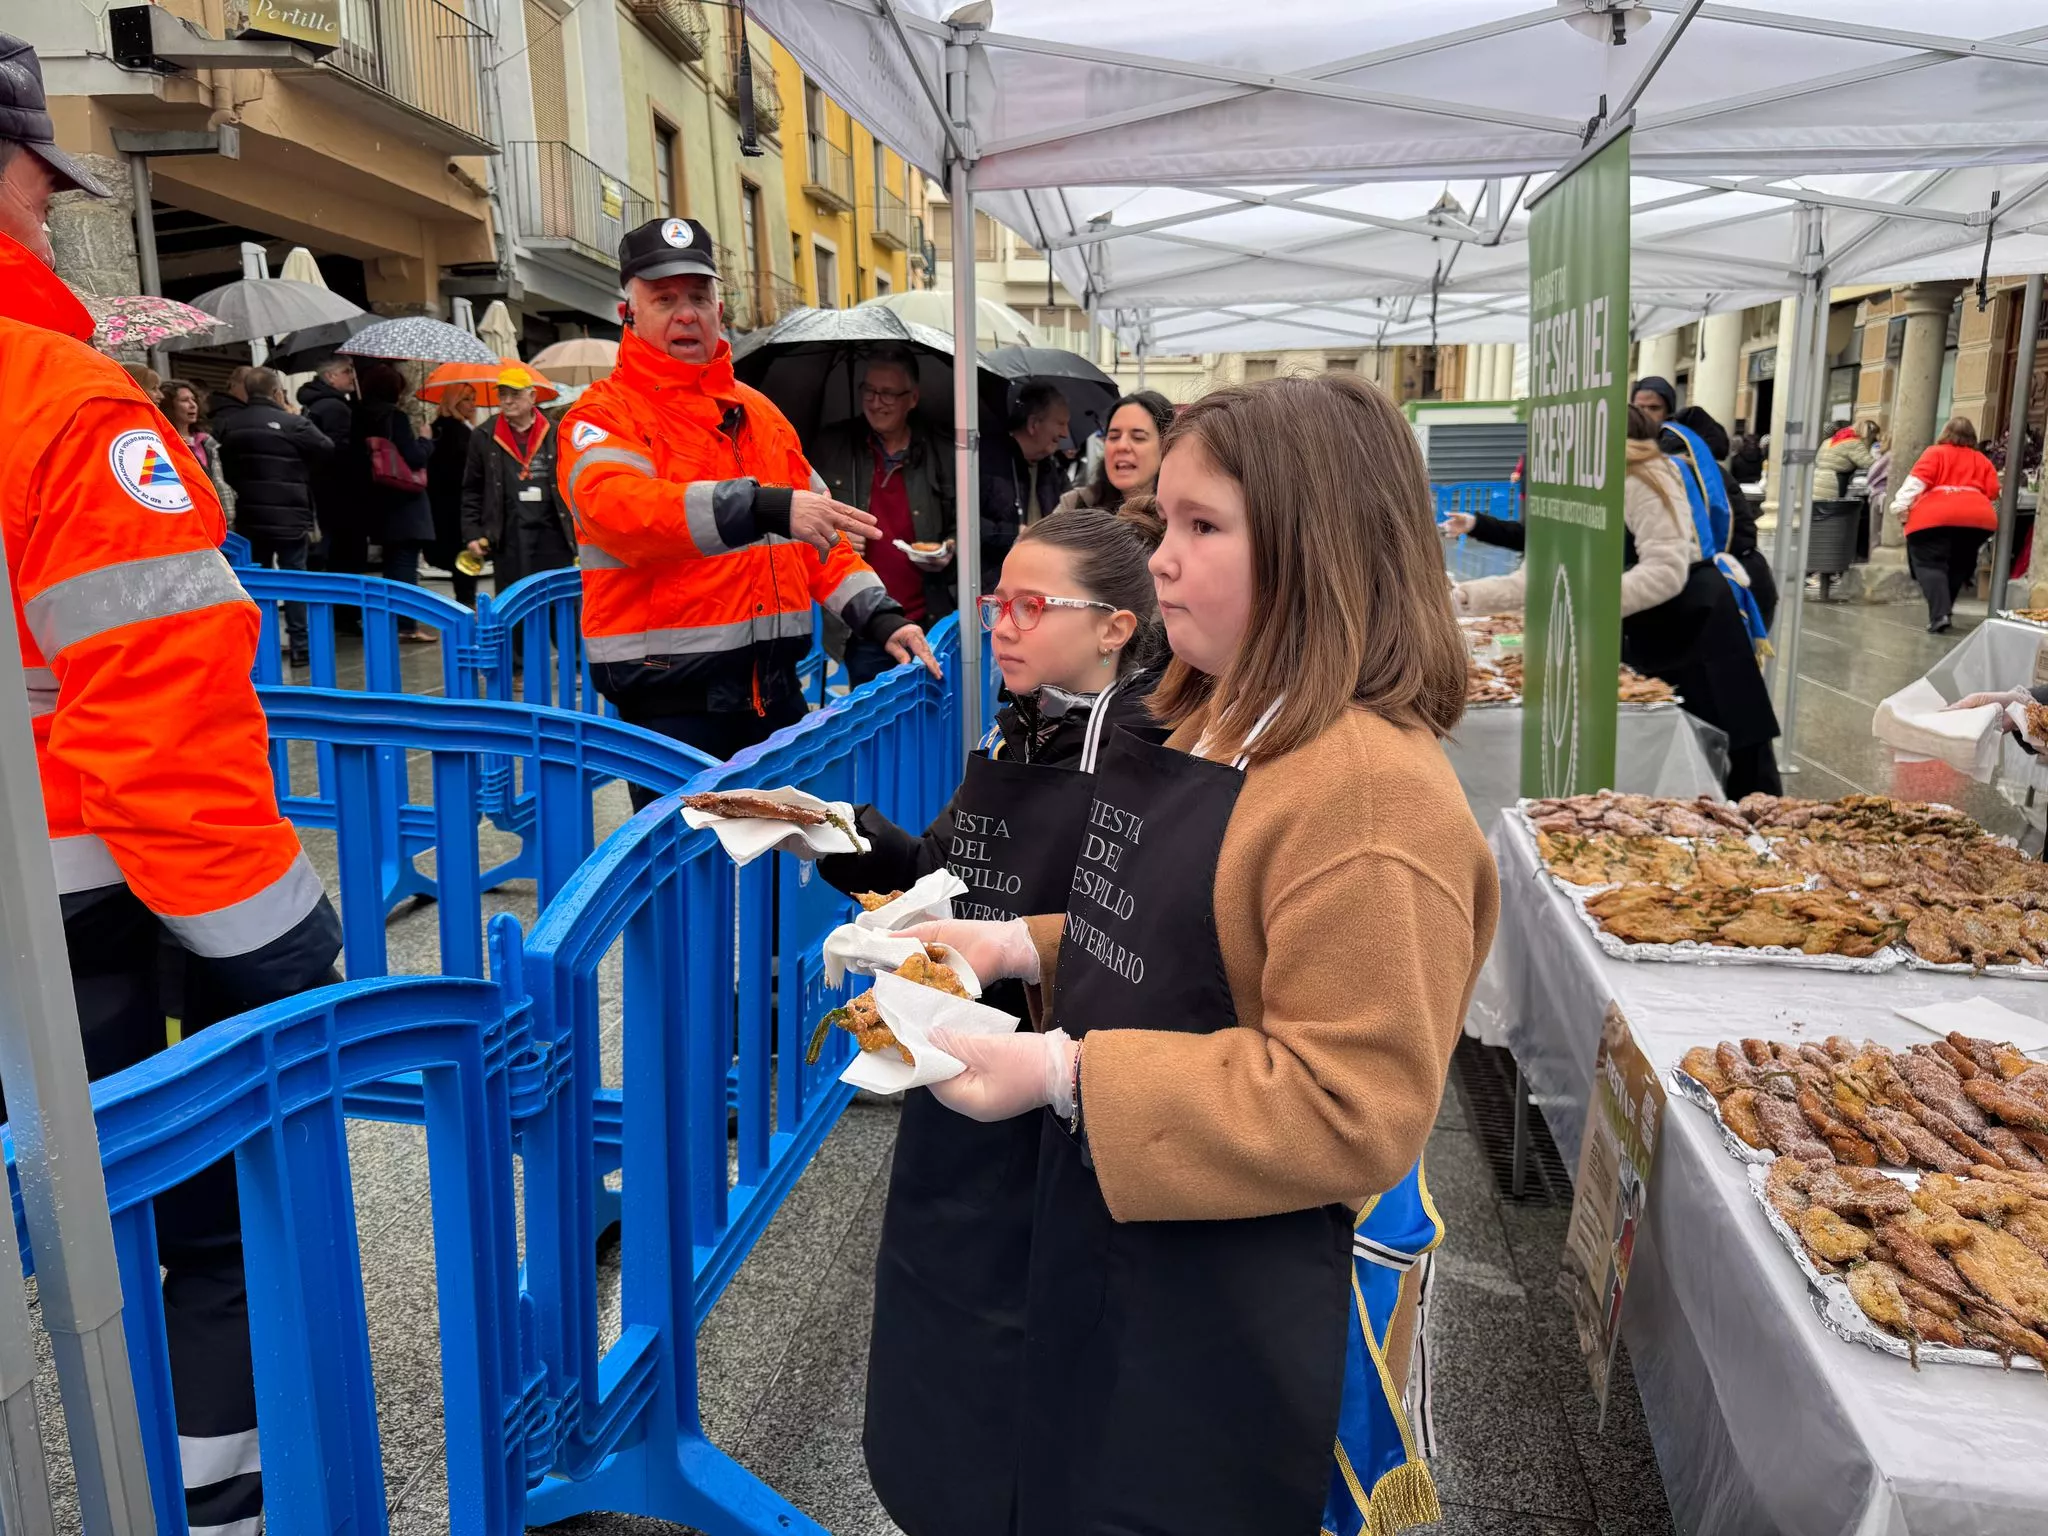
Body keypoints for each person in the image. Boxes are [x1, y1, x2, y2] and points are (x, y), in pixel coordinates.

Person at [904, 373, 1496, 1536]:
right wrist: (1012, 947)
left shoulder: (1367, 793)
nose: (1159, 558)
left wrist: (1062, 1074)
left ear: (1315, 546)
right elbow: (1181, 932)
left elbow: (1354, 1101)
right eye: (1164, 520)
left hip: (1255, 1290)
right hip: (1147, 1238)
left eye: (1201, 527)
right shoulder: (1230, 716)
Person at [0, 34, 343, 1535]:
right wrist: (279, 943)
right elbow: (154, 714)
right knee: (194, 1215)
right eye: (39, 186)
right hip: (75, 906)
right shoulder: (59, 401)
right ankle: (220, 1503)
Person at [812, 506, 1168, 1536]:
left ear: (1113, 627)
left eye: (1028, 605)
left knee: (1032, 1337)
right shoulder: (1016, 722)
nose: (999, 626)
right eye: (992, 602)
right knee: (943, 1321)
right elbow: (947, 875)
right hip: (953, 1067)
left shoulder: (1147, 752)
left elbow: (1127, 942)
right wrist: (835, 837)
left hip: (1054, 1093)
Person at [556, 216, 938, 796]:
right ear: (627, 313)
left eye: (699, 296)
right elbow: (619, 509)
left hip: (775, 691)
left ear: (718, 308)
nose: (686, 313)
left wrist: (880, 617)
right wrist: (763, 507)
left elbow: (817, 533)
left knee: (793, 866)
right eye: (664, 299)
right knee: (687, 878)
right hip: (670, 703)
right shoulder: (601, 416)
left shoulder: (760, 413)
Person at [1456, 407, 1782, 797]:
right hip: (1644, 631)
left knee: (1737, 756)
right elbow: (1541, 576)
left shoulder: (1642, 475)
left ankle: (1762, 838)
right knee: (1669, 762)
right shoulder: (1574, 484)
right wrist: (1462, 599)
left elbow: (1665, 571)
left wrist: (1580, 605)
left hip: (1698, 624)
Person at [807, 348, 957, 686]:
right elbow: (806, 519)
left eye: (888, 393)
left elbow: (963, 524)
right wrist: (837, 533)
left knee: (927, 716)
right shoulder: (832, 446)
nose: (876, 402)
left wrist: (949, 547)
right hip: (863, 625)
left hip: (929, 618)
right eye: (869, 391)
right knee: (871, 723)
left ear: (913, 398)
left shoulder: (942, 451)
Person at [215, 365, 334, 669]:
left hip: (250, 515)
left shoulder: (229, 425)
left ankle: (260, 648)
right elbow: (326, 448)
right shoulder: (293, 423)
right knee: (295, 578)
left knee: (257, 580)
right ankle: (301, 647)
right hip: (291, 513)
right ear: (276, 391)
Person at [461, 365, 575, 595]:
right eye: (503, 394)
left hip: (553, 533)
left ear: (532, 396)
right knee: (514, 603)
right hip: (509, 534)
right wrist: (472, 533)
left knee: (556, 602)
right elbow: (472, 489)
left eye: (515, 394)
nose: (508, 401)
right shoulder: (484, 435)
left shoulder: (555, 432)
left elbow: (572, 482)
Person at [1891, 416, 2003, 634]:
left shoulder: (1935, 453)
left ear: (1945, 433)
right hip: (1976, 520)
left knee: (1930, 564)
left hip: (1934, 518)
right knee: (1958, 565)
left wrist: (1899, 507)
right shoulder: (1981, 459)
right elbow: (1993, 491)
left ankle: (1940, 614)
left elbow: (1916, 483)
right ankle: (1943, 611)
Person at [353, 358, 437, 641]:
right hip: (404, 500)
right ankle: (406, 626)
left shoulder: (359, 415)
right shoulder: (394, 417)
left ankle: (393, 622)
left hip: (377, 500)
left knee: (391, 564)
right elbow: (413, 457)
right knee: (404, 565)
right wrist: (426, 439)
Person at [980, 381, 1069, 589]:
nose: (1065, 433)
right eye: (1060, 423)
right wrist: (1013, 532)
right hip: (996, 587)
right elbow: (965, 524)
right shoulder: (986, 462)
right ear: (1033, 424)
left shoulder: (1054, 470)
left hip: (1043, 583)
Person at [1054, 390, 1173, 514]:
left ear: (1166, 447)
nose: (1121, 446)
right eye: (1114, 436)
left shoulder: (1184, 515)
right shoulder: (1075, 505)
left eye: (1138, 437)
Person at [298, 355, 360, 573]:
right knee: (339, 547)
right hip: (337, 489)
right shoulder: (335, 407)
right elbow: (339, 451)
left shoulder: (314, 404)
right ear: (331, 376)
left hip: (319, 484)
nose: (353, 376)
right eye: (347, 371)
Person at [427, 382, 478, 606]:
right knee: (463, 554)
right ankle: (467, 602)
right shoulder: (455, 432)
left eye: (473, 398)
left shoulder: (445, 428)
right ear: (454, 402)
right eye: (466, 399)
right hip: (455, 504)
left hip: (445, 503)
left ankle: (466, 600)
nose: (473, 405)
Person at [159, 378, 232, 517]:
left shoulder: (206, 442)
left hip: (217, 517)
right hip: (189, 517)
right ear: (169, 406)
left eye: (194, 400)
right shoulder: (163, 444)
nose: (193, 405)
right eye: (185, 400)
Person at [1815, 418, 1877, 500]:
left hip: (1818, 478)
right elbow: (1867, 463)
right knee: (1831, 509)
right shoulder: (1853, 443)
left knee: (1818, 507)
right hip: (1834, 481)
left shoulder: (1829, 440)